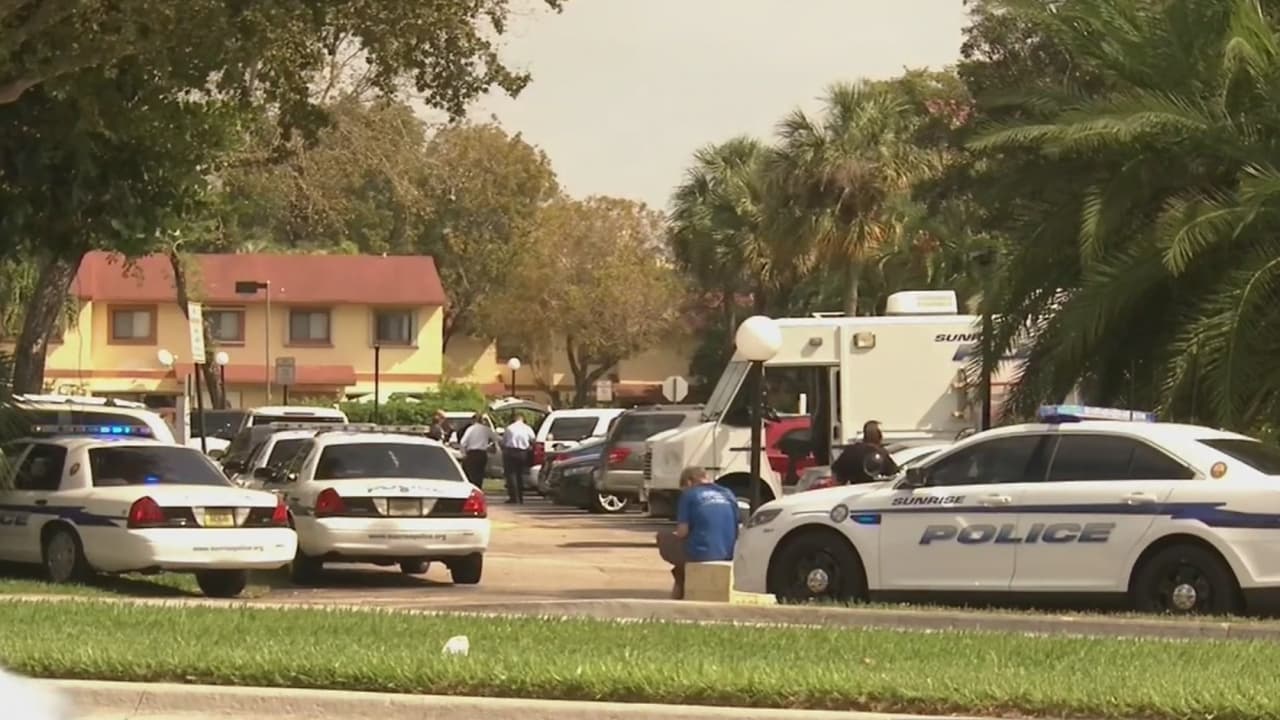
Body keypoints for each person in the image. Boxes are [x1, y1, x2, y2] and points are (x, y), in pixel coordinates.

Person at [655, 466, 739, 599]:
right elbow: (736, 528)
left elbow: (682, 532)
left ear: (689, 482)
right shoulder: (728, 493)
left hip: (700, 552)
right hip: (726, 553)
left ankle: (679, 587)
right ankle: (680, 582)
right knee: (682, 563)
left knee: (663, 537)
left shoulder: (689, 495)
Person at [831, 420, 898, 485]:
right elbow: (894, 473)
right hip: (874, 489)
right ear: (879, 436)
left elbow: (836, 470)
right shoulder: (880, 453)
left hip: (852, 489)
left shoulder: (850, 450)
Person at [501, 414, 535, 504]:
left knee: (511, 475)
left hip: (511, 452)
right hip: (523, 453)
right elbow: (533, 440)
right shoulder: (527, 428)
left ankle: (514, 497)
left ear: (514, 419)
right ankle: (520, 497)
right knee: (521, 475)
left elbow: (504, 441)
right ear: (522, 419)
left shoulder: (509, 428)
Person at [458, 412, 493, 489]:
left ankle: (472, 489)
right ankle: (478, 489)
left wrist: (463, 453)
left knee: (471, 474)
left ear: (473, 420)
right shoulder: (487, 429)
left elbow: (462, 442)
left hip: (472, 453)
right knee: (479, 474)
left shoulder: (470, 429)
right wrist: (491, 446)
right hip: (482, 454)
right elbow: (496, 439)